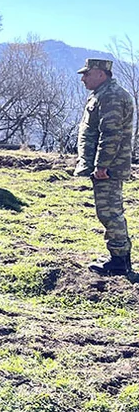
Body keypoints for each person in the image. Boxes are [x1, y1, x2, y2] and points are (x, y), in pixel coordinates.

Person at [74, 58, 133, 276]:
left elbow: (111, 134)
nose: (83, 79)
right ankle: (121, 258)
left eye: (87, 74)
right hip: (108, 166)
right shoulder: (103, 94)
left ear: (101, 74)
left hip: (109, 168)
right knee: (110, 211)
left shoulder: (111, 96)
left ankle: (118, 262)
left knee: (109, 212)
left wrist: (102, 165)